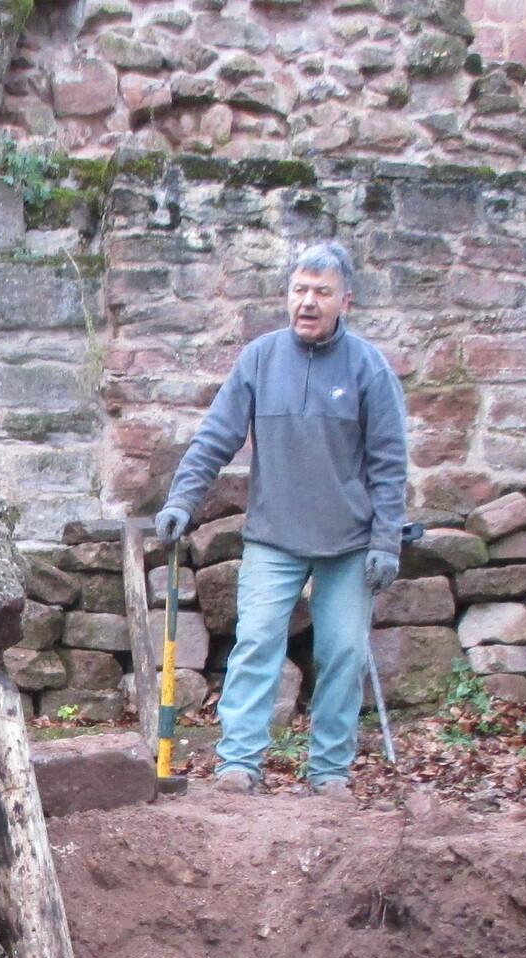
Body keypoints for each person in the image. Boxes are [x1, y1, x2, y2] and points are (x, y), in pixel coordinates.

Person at [155, 239, 408, 796]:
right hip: (274, 535)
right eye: (299, 290)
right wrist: (180, 500)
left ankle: (329, 772)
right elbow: (215, 438)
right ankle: (238, 764)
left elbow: (389, 462)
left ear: (346, 300)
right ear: (288, 295)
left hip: (349, 541)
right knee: (257, 643)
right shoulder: (260, 359)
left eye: (322, 292)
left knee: (342, 653)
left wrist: (386, 541)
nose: (308, 302)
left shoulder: (368, 367)